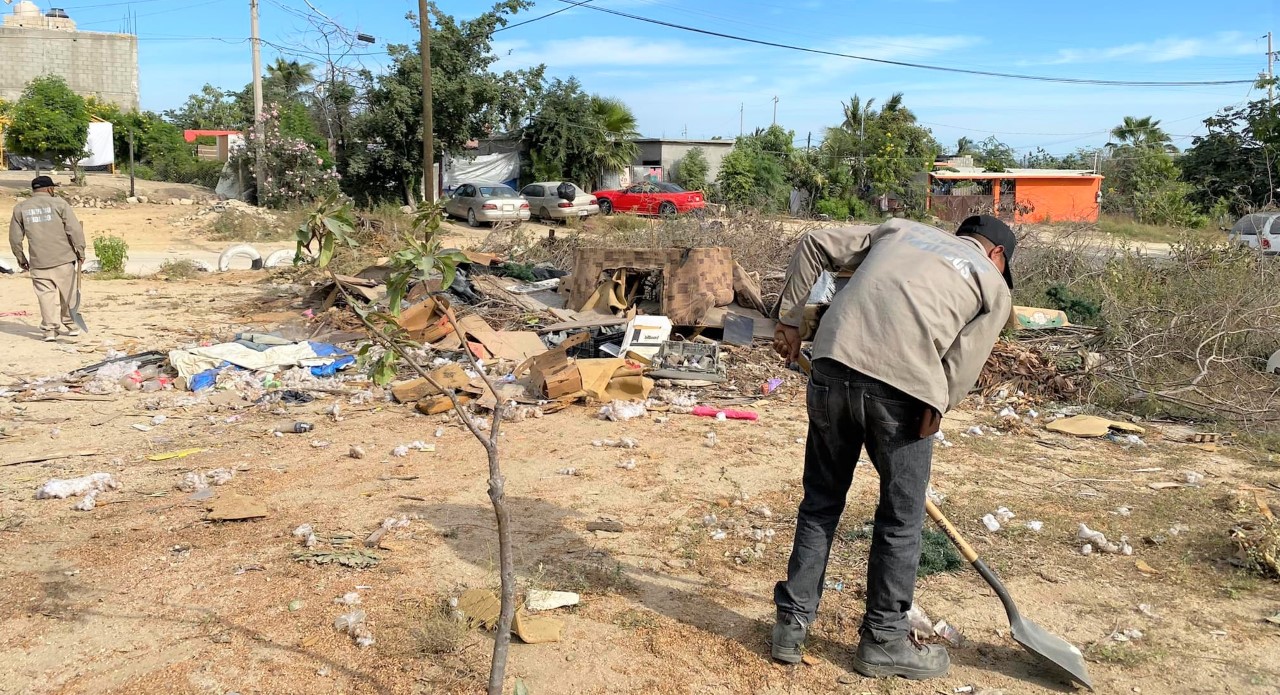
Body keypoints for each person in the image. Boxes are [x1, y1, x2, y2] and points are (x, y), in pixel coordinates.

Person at [769, 215, 1015, 680]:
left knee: (821, 502)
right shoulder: (993, 285)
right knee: (900, 521)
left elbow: (816, 242)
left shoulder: (898, 229)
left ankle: (790, 626)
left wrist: (789, 321)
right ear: (998, 256)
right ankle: (884, 639)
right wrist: (938, 404)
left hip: (832, 367)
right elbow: (963, 364)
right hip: (904, 392)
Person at [9, 175, 85, 342]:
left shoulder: (21, 208)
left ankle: (50, 331)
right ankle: (71, 325)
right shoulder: (59, 204)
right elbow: (74, 230)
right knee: (69, 293)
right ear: (50, 189)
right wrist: (80, 251)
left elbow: (15, 238)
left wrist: (20, 257)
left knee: (45, 297)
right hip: (63, 259)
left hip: (38, 262)